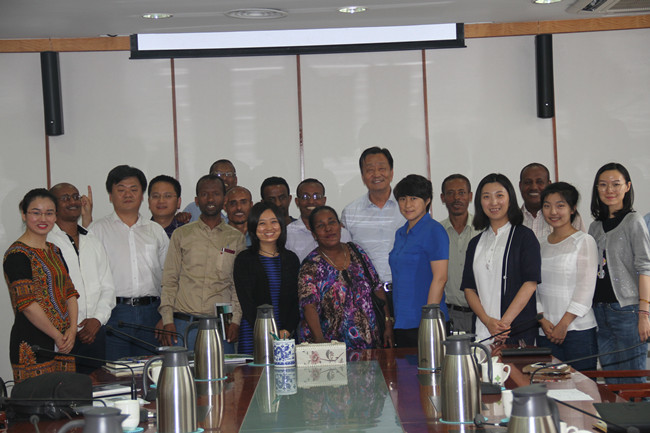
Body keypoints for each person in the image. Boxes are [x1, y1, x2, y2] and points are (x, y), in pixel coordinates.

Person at [159, 175, 246, 353]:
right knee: (183, 371)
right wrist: (167, 320)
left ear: (224, 199)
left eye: (216, 194)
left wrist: (236, 321)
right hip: (184, 324)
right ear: (197, 201)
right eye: (205, 194)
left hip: (221, 325)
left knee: (223, 371)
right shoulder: (181, 234)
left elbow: (238, 286)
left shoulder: (236, 238)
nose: (211, 199)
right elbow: (169, 280)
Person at [91, 165, 169, 360]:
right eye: (121, 189)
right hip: (114, 313)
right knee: (115, 372)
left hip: (152, 313)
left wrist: (166, 315)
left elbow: (168, 276)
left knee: (150, 371)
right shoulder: (97, 230)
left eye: (134, 189)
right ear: (110, 195)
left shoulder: (155, 231)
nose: (128, 194)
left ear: (142, 195)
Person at [3, 189, 79, 382]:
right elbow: (27, 304)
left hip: (64, 343)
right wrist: (57, 336)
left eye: (49, 213)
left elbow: (70, 293)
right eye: (36, 213)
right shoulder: (17, 254)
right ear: (24, 214)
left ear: (55, 216)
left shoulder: (55, 250)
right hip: (33, 344)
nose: (43, 219)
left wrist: (71, 330)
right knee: (36, 398)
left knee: (65, 397)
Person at [298, 206, 393, 349]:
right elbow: (309, 306)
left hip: (371, 345)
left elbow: (377, 287)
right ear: (314, 234)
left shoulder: (357, 251)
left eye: (332, 222)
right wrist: (320, 342)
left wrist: (387, 323)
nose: (328, 229)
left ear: (339, 226)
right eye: (321, 226)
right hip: (333, 349)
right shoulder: (310, 265)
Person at [461, 173, 541, 345]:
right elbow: (469, 289)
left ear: (510, 199)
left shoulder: (524, 237)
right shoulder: (475, 243)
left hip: (516, 331)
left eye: (499, 195)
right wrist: (488, 321)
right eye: (486, 197)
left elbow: (530, 283)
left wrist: (503, 325)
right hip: (483, 330)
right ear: (479, 202)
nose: (493, 202)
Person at [588, 162, 650, 383]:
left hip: (627, 311)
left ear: (627, 187)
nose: (609, 190)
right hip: (600, 312)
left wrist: (644, 314)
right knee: (612, 384)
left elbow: (645, 267)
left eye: (616, 184)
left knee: (634, 383)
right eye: (603, 184)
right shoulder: (595, 226)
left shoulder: (633, 221)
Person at [48, 183, 116, 374]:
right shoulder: (47, 241)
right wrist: (69, 327)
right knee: (64, 388)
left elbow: (108, 287)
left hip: (94, 332)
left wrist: (97, 320)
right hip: (61, 336)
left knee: (95, 387)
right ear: (53, 205)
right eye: (65, 198)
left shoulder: (92, 239)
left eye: (75, 197)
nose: (72, 202)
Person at [536, 182, 598, 371]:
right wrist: (541, 319)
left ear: (573, 209)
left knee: (583, 386)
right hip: (546, 330)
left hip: (578, 330)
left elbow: (585, 289)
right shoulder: (540, 244)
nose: (553, 212)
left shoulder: (584, 241)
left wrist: (563, 324)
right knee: (549, 385)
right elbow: (534, 286)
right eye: (547, 206)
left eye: (560, 205)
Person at [389, 175, 449, 347]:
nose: (407, 205)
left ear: (427, 200)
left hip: (425, 322)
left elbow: (440, 278)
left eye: (414, 198)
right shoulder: (400, 233)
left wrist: (429, 322)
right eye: (403, 199)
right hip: (402, 321)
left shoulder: (435, 231)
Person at [234, 202, 300, 355]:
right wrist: (266, 331)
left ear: (281, 225)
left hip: (286, 334)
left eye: (274, 222)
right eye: (262, 223)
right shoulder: (244, 259)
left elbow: (296, 301)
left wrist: (287, 330)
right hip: (253, 333)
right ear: (253, 227)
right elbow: (246, 302)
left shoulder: (291, 259)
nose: (269, 228)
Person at [341, 147, 405, 303]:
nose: (376, 174)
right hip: (368, 296)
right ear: (363, 176)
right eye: (370, 170)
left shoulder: (407, 208)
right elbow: (345, 257)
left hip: (405, 291)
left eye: (382, 168)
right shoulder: (350, 212)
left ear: (391, 173)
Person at [286, 178, 352, 263]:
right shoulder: (288, 234)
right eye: (305, 197)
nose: (311, 201)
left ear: (324, 200)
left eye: (316, 196)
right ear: (297, 201)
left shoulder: (342, 233)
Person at [519, 163, 585, 240]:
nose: (534, 187)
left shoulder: (568, 217)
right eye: (528, 182)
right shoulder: (512, 219)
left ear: (549, 184)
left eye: (540, 182)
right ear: (520, 186)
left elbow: (581, 243)